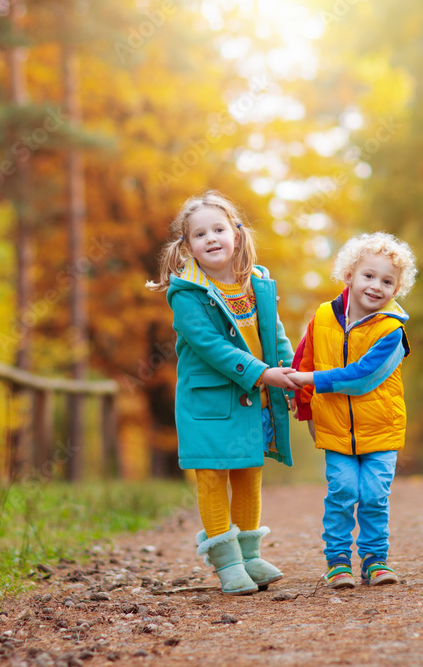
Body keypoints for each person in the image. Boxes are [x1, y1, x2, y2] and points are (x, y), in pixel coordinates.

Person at [147, 190, 298, 595]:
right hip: (209, 401)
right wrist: (263, 374)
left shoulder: (259, 283)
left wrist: (291, 374)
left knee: (249, 472)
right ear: (187, 246)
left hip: (255, 396)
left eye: (218, 229)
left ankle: (250, 555)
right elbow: (212, 347)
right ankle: (227, 563)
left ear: (236, 233)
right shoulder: (186, 292)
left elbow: (274, 336)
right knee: (213, 475)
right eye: (200, 234)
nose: (211, 238)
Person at [289, 232, 416, 589]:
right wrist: (307, 412)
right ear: (349, 276)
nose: (376, 286)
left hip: (381, 429)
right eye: (369, 276)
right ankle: (338, 562)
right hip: (334, 427)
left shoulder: (392, 331)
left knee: (374, 494)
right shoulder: (323, 318)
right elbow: (304, 362)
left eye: (387, 281)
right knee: (342, 491)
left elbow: (361, 378)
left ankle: (376, 560)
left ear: (396, 289)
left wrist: (309, 377)